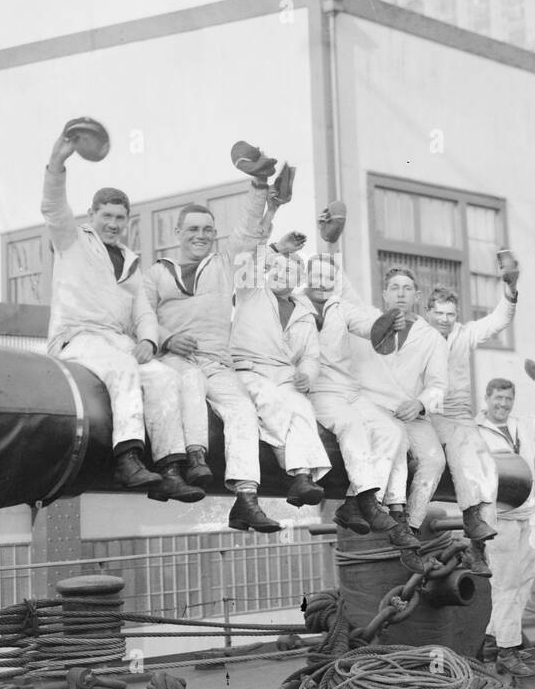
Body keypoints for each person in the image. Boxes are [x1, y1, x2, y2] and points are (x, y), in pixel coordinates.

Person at [42, 118, 202, 504]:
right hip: (77, 336)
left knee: (164, 377)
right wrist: (58, 161)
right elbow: (51, 205)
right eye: (106, 216)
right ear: (91, 216)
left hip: (117, 340)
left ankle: (169, 469)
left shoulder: (131, 261)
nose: (113, 224)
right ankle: (127, 458)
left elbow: (143, 310)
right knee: (123, 368)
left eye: (119, 218)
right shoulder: (72, 240)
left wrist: (148, 339)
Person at [143, 145, 291, 532]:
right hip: (175, 360)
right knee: (187, 383)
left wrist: (259, 185)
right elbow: (138, 316)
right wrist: (167, 337)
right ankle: (193, 460)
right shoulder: (157, 273)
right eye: (193, 229)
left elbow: (248, 230)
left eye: (208, 230)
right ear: (177, 233)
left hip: (217, 361)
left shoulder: (224, 263)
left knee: (242, 411)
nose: (201, 236)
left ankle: (245, 499)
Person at [302, 254, 420, 555]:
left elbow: (369, 325)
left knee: (393, 431)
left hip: (349, 389)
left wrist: (389, 323)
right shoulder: (292, 305)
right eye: (316, 276)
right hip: (318, 389)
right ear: (306, 277)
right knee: (350, 424)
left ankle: (355, 503)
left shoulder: (340, 308)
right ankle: (369, 501)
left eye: (329, 278)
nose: (322, 283)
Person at [228, 234, 333, 524]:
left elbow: (311, 355)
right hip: (249, 369)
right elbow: (245, 263)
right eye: (276, 268)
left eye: (289, 271)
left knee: (301, 408)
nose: (280, 274)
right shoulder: (251, 292)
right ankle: (292, 464)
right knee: (271, 402)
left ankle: (301, 478)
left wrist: (306, 375)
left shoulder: (305, 314)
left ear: (298, 280)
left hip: (284, 375)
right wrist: (276, 249)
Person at [424, 270, 519, 575]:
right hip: (426, 414)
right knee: (455, 461)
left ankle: (479, 547)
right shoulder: (415, 335)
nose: (444, 319)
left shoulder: (464, 335)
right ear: (428, 312)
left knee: (486, 468)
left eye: (450, 314)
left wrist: (510, 288)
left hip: (460, 416)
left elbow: (498, 320)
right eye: (438, 313)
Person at [345, 267, 450, 539]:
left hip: (409, 411)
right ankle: (369, 507)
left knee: (434, 459)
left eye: (406, 288)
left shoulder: (432, 338)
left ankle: (410, 525)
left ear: (416, 295)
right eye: (394, 287)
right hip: (373, 403)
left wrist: (420, 403)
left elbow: (438, 386)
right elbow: (340, 284)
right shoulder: (368, 319)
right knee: (391, 442)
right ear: (384, 294)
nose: (400, 293)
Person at [476, 368, 535, 677]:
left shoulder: (521, 425)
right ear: (486, 400)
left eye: (508, 399)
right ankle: (507, 651)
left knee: (523, 583)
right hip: (499, 519)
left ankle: (489, 643)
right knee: (506, 585)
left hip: (528, 514)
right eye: (498, 398)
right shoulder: (474, 430)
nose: (503, 404)